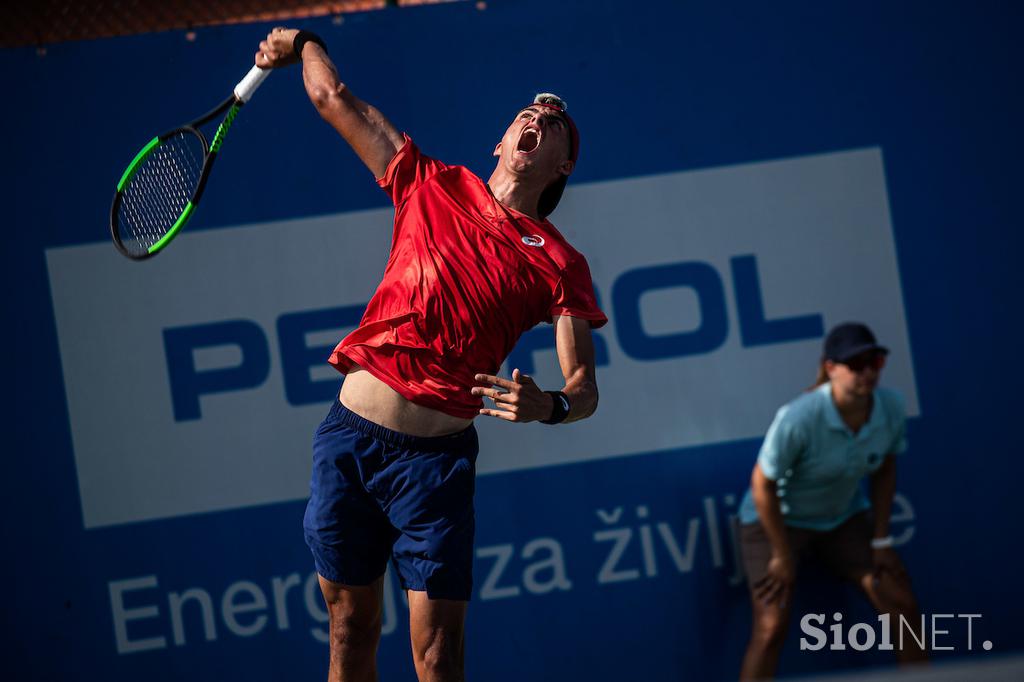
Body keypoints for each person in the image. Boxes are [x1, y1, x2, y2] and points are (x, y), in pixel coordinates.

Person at [255, 27, 607, 682]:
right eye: (526, 116)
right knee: (349, 631)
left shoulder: (560, 262)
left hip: (435, 470)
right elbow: (332, 97)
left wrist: (550, 406)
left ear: (562, 166)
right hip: (350, 443)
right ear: (500, 143)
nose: (537, 119)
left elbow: (584, 388)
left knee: (439, 658)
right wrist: (305, 42)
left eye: (554, 123)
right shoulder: (429, 183)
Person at [737, 323, 927, 680]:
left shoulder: (890, 406)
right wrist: (780, 553)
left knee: (899, 602)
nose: (868, 371)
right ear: (831, 368)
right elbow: (762, 485)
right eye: (857, 364)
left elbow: (885, 467)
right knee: (770, 625)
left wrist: (881, 540)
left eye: (875, 361)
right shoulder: (798, 417)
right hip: (776, 523)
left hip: (842, 520)